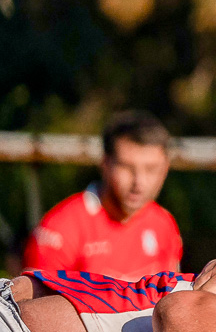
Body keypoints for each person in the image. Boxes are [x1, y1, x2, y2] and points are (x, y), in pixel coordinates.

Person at [23, 111, 182, 279]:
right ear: (105, 164)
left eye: (151, 169)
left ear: (165, 169)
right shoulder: (59, 231)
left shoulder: (164, 224)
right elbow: (34, 303)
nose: (139, 182)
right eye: (127, 167)